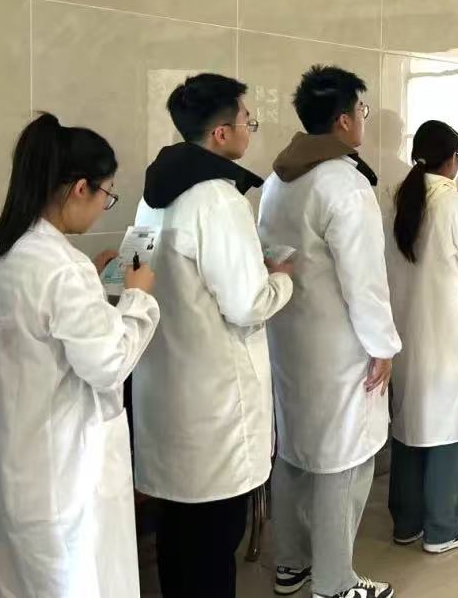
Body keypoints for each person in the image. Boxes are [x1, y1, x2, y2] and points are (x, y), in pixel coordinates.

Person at [132, 73, 295, 598]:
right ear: (221, 133)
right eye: (248, 119)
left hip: (166, 389)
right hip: (214, 401)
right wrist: (281, 279)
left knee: (178, 534)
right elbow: (247, 304)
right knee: (213, 538)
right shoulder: (219, 199)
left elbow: (136, 272)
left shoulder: (153, 194)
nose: (251, 128)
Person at [0, 114, 159, 597]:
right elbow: (108, 364)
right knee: (82, 579)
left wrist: (90, 280)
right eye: (107, 194)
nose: (105, 206)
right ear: (81, 188)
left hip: (15, 463)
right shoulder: (63, 269)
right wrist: (137, 297)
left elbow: (40, 325)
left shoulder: (2, 253)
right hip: (68, 473)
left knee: (22, 580)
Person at [258, 66, 400, 598]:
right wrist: (382, 346)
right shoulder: (343, 183)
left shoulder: (278, 179)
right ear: (343, 120)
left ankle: (291, 563)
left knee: (295, 452)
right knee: (346, 459)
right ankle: (335, 583)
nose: (364, 119)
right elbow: (365, 280)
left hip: (288, 338)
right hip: (340, 347)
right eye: (362, 110)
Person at [386, 120, 458, 554]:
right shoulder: (457, 209)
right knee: (450, 431)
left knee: (410, 428)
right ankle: (443, 527)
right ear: (453, 160)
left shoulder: (395, 204)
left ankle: (407, 522)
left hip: (405, 338)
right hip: (452, 341)